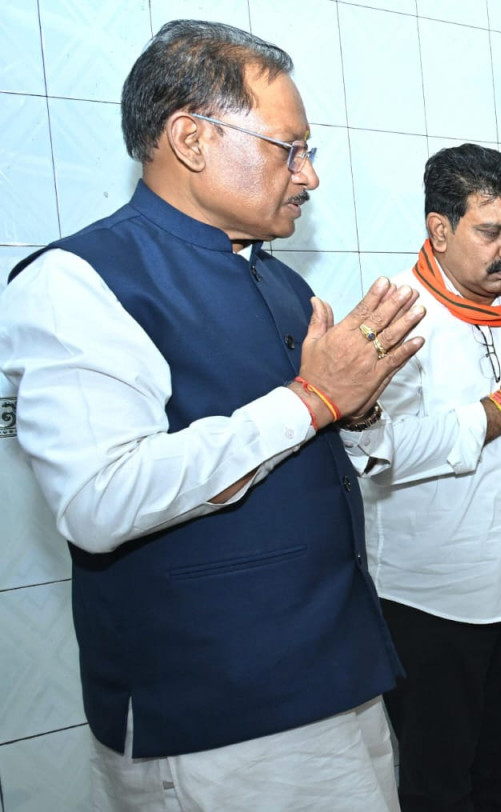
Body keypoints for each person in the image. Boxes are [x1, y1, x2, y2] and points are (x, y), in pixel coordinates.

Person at [0, 20, 425, 811]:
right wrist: (311, 401)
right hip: (216, 714)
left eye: (309, 152)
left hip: (340, 674)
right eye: (287, 148)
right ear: (191, 138)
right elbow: (100, 502)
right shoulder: (77, 281)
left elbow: (327, 456)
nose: (309, 177)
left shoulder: (281, 285)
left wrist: (356, 416)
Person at [353, 143, 501, 812]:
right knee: (438, 785)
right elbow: (376, 452)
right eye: (491, 231)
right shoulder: (397, 319)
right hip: (433, 605)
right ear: (440, 229)